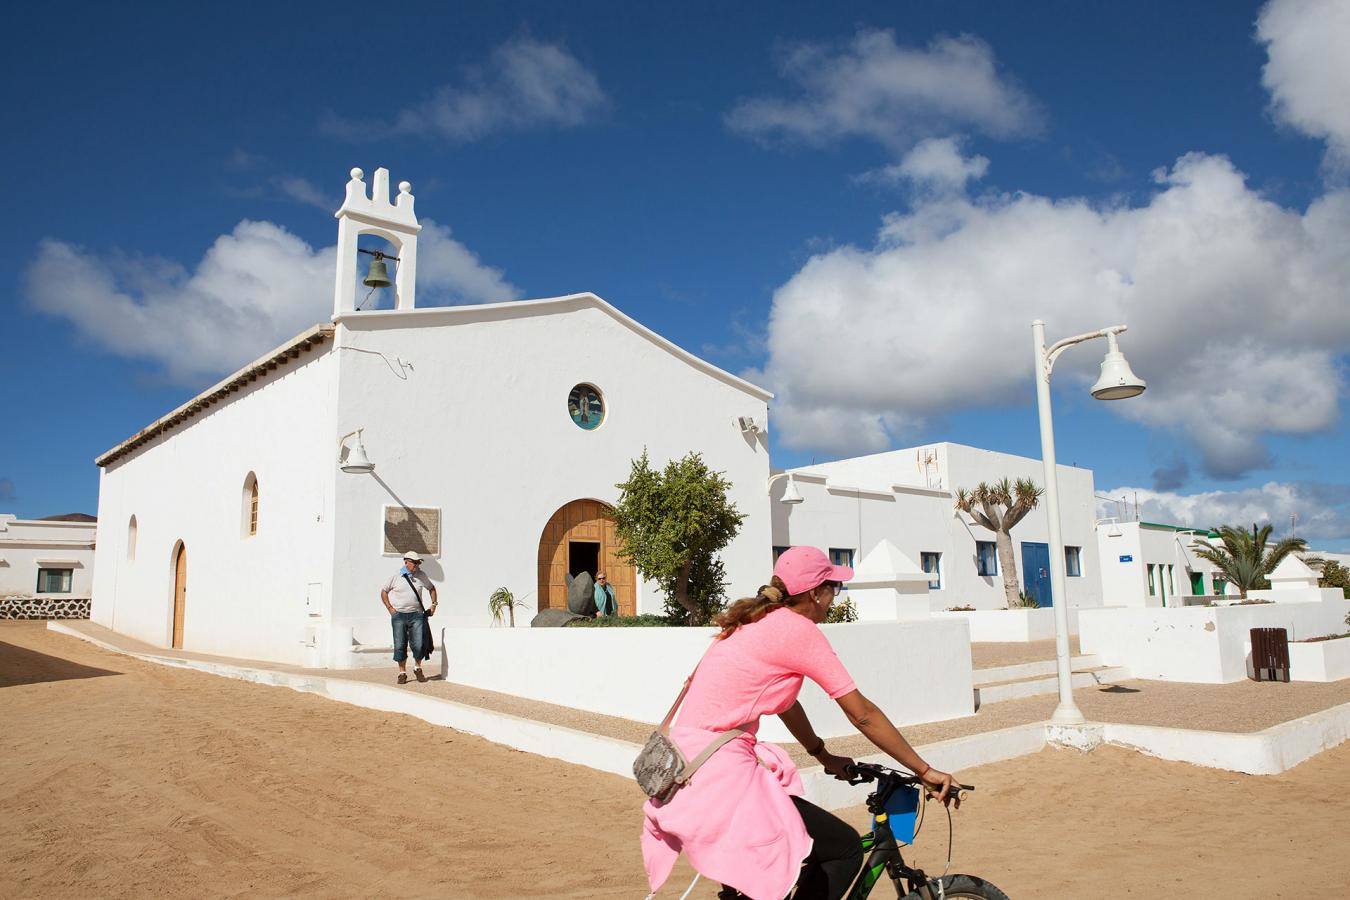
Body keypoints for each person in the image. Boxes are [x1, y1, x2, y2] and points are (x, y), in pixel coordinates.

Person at [640, 546, 958, 900]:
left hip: (687, 771)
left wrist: (822, 755)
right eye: (832, 589)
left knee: (788, 852)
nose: (834, 599)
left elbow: (786, 704)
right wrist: (925, 770)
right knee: (844, 849)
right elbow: (861, 713)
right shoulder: (797, 630)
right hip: (719, 778)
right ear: (814, 593)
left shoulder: (757, 622)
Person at [380, 551, 437, 684]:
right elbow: (384, 591)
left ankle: (417, 668)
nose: (417, 565)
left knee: (419, 644)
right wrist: (390, 608)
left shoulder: (421, 576)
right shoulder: (395, 576)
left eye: (418, 563)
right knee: (400, 644)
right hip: (399, 615)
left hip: (416, 615)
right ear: (406, 562)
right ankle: (402, 672)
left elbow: (432, 588)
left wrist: (433, 605)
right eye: (415, 563)